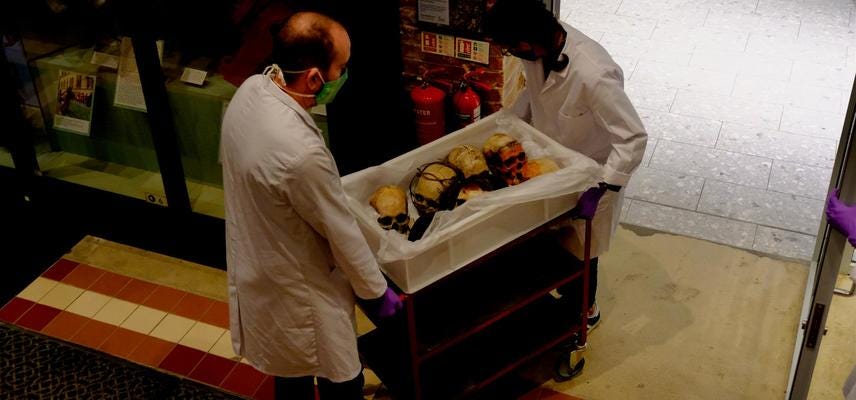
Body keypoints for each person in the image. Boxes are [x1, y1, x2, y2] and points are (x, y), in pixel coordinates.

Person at [219, 11, 402, 400]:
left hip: (261, 267)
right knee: (341, 378)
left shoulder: (250, 91)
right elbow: (340, 231)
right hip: (301, 287)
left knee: (290, 371)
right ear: (316, 78)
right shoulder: (301, 154)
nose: (344, 77)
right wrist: (376, 292)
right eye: (342, 68)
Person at [483, 0, 647, 354]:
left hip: (592, 176)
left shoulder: (594, 74)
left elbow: (633, 137)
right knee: (549, 240)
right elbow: (533, 93)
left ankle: (585, 313)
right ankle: (552, 298)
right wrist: (507, 124)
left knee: (581, 252)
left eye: (513, 47)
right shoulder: (538, 50)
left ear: (529, 39)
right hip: (551, 165)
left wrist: (606, 185)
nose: (513, 54)